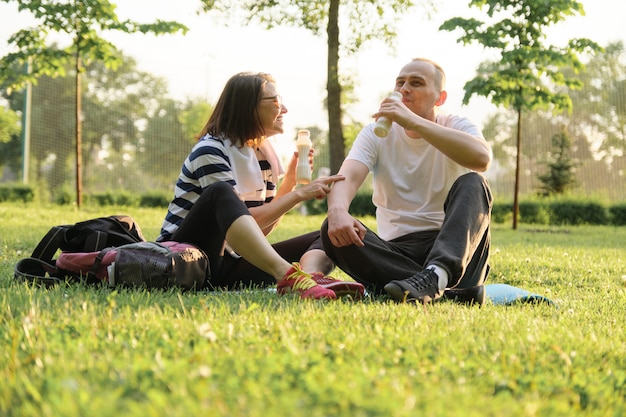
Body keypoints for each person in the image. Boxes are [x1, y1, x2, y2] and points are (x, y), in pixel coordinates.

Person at [157, 71, 364, 300]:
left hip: (227, 266)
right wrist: (299, 195)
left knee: (329, 234)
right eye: (275, 101)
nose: (283, 109)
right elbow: (245, 220)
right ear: (247, 107)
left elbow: (256, 230)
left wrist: (290, 184)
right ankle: (289, 277)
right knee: (220, 192)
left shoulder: (263, 154)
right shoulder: (211, 150)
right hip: (185, 260)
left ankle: (308, 279)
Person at [321, 57, 493, 304]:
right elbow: (347, 176)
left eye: (416, 83)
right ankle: (449, 291)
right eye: (399, 83)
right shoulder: (375, 132)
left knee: (475, 183)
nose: (404, 89)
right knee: (331, 228)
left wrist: (413, 121)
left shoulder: (455, 125)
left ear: (440, 98)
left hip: (454, 247)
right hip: (396, 252)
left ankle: (438, 276)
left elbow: (481, 158)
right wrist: (337, 210)